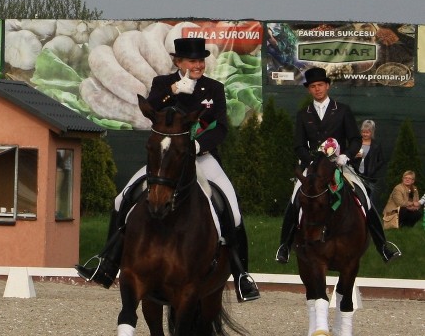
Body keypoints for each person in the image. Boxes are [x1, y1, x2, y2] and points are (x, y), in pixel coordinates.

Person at [76, 37, 260, 302]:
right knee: (122, 198)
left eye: (200, 60)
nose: (198, 65)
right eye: (192, 61)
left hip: (201, 156)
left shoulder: (214, 88)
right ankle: (107, 263)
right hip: (165, 160)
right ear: (178, 62)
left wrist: (196, 147)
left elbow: (220, 127)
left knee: (232, 206)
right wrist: (173, 90)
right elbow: (151, 109)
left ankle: (242, 276)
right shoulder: (162, 84)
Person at [275, 67, 400, 264]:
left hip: (339, 165)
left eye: (320, 85)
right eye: (313, 86)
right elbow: (298, 145)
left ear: (328, 86)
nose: (317, 89)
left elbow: (355, 139)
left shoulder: (342, 110)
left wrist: (346, 156)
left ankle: (382, 245)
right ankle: (284, 245)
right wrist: (312, 164)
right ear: (309, 89)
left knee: (363, 196)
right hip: (313, 168)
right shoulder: (303, 114)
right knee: (295, 200)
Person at [352, 119, 385, 207]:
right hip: (355, 175)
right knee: (355, 199)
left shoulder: (376, 145)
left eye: (367, 132)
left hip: (369, 178)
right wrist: (355, 156)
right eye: (363, 132)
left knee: (368, 201)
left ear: (372, 132)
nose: (365, 134)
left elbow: (381, 160)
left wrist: (373, 169)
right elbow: (347, 157)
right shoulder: (356, 143)